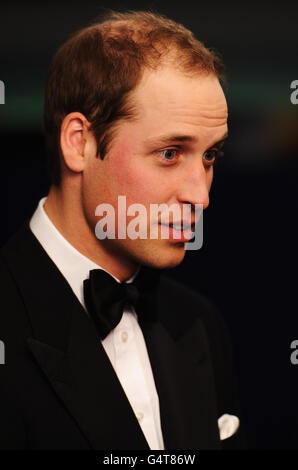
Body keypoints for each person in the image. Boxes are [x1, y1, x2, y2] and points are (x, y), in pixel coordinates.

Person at [0, 10, 244, 450]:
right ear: (79, 142)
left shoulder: (198, 322)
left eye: (210, 157)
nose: (201, 197)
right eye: (170, 153)